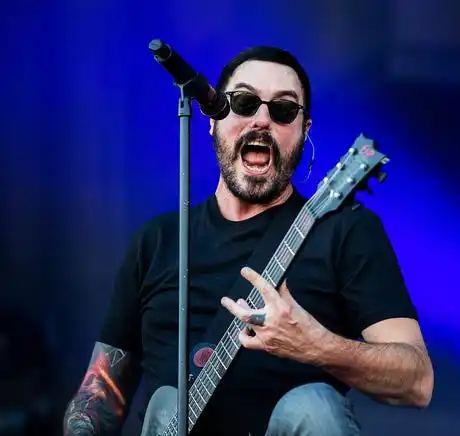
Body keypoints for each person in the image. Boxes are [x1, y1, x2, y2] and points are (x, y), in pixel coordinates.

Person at [62, 45, 434, 436]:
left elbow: (418, 382)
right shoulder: (157, 242)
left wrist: (319, 346)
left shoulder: (347, 232)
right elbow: (101, 392)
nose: (261, 120)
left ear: (304, 129)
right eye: (243, 102)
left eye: (284, 110)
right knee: (168, 400)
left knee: (312, 407)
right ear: (212, 119)